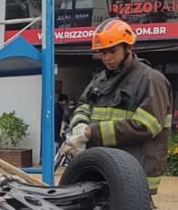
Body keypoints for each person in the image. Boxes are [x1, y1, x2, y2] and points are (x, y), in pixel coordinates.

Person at [65, 18, 173, 195]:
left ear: (128, 47)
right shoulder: (100, 79)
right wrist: (79, 126)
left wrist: (92, 133)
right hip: (103, 167)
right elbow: (83, 105)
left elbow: (147, 125)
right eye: (103, 52)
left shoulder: (151, 80)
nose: (107, 58)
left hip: (134, 170)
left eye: (112, 51)